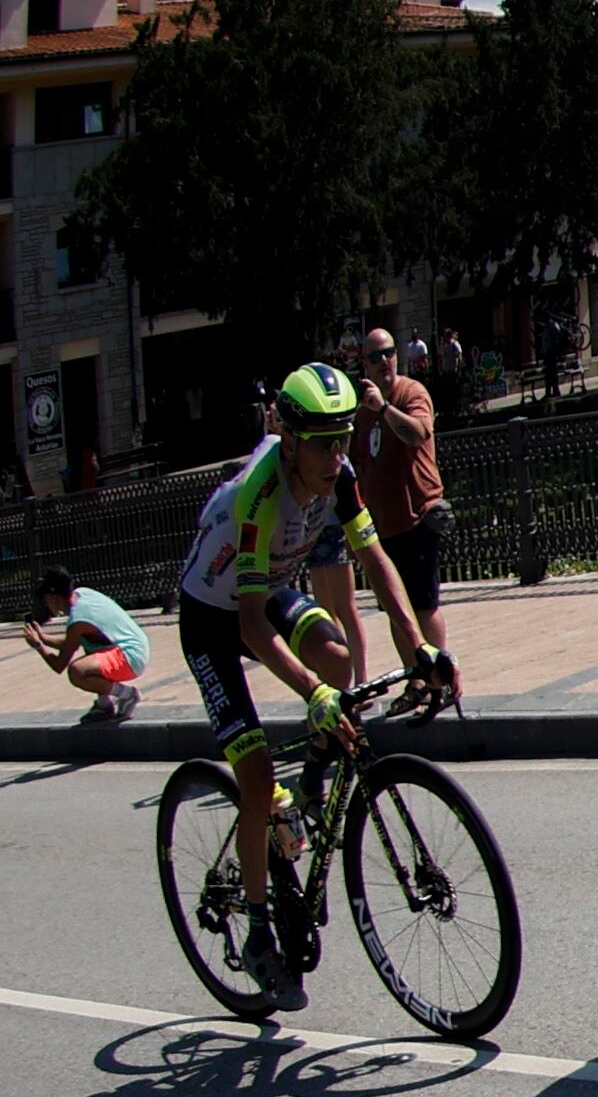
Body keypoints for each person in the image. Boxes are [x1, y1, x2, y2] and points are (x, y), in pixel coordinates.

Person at [174, 363, 449, 996]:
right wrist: (313, 696)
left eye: (344, 437)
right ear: (290, 440)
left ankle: (315, 780)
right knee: (255, 776)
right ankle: (259, 926)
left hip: (266, 594)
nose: (336, 454)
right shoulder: (258, 498)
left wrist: (420, 649)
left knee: (336, 656)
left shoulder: (341, 478)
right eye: (323, 442)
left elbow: (375, 561)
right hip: (215, 621)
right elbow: (246, 625)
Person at [345, 326, 451, 649]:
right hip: (383, 528)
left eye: (389, 353)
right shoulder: (362, 413)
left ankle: (440, 676)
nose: (384, 361)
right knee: (396, 609)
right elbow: (359, 467)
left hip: (417, 518)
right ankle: (417, 680)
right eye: (376, 356)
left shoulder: (411, 393)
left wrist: (384, 409)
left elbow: (418, 433)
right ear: (364, 363)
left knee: (422, 604)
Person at [26, 562, 147, 723]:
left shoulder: (77, 621)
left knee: (77, 671)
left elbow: (59, 665)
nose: (46, 603)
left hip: (130, 657)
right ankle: (104, 705)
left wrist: (38, 646)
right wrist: (44, 638)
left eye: (46, 599)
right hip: (135, 649)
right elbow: (73, 642)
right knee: (91, 647)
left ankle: (129, 695)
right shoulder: (83, 594)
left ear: (54, 598)